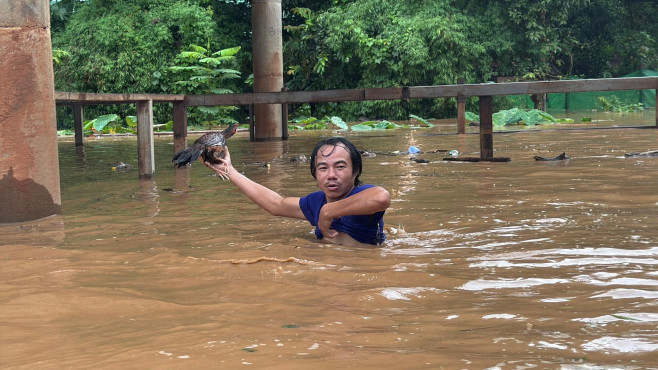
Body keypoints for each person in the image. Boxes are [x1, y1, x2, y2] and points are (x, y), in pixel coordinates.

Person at [205, 137, 391, 247]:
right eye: (323, 168)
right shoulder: (315, 202)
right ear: (315, 173)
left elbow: (382, 197)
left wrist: (329, 212)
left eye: (340, 167)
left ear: (356, 171)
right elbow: (276, 204)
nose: (331, 175)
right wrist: (229, 170)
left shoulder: (361, 195)